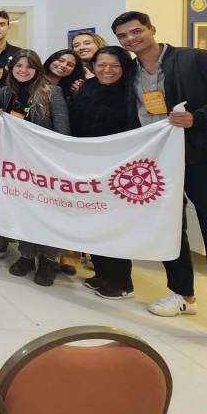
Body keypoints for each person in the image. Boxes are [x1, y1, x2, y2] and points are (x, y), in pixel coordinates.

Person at [112, 11, 207, 339]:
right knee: (170, 230)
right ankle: (183, 295)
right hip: (157, 163)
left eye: (136, 31)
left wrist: (199, 118)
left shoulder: (197, 60)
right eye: (123, 36)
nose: (131, 39)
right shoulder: (129, 73)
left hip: (203, 159)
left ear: (152, 29)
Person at [0, 49, 71, 284]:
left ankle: (48, 260)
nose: (23, 71)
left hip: (45, 164)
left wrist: (58, 162)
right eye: (18, 66)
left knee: (47, 212)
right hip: (15, 163)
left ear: (37, 69)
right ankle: (26, 255)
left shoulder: (52, 92)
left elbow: (63, 131)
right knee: (22, 209)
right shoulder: (4, 92)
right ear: (11, 69)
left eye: (29, 67)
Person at [68, 46, 139, 300]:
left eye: (114, 66)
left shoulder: (132, 91)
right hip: (88, 165)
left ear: (124, 68)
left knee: (113, 223)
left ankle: (121, 282)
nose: (107, 70)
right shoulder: (86, 88)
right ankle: (102, 273)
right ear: (93, 66)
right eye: (101, 65)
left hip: (119, 167)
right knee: (92, 219)